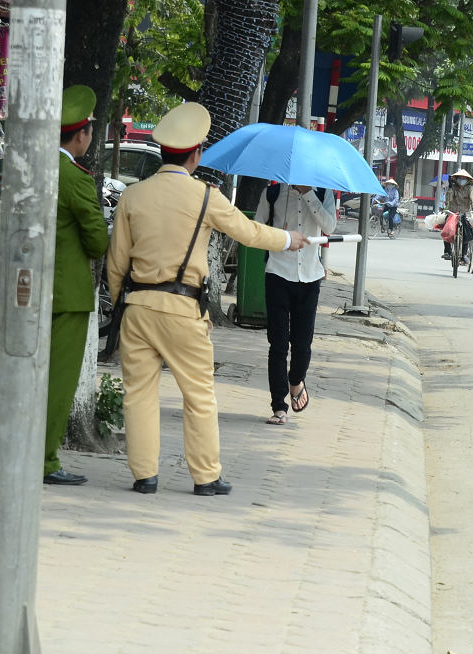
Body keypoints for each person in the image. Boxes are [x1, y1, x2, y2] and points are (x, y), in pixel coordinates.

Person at [108, 102, 310, 496]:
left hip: (137, 310)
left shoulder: (133, 196)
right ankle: (205, 477)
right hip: (183, 311)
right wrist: (288, 239)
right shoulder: (205, 196)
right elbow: (248, 232)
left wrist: (124, 306)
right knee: (198, 395)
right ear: (197, 152)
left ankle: (144, 476)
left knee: (139, 395)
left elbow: (116, 264)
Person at [43, 86, 111, 486]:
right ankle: (46, 461)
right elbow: (98, 241)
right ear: (81, 134)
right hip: (66, 294)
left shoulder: (33, 164)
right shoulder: (75, 177)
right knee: (58, 381)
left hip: (28, 289)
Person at [254, 182, 337, 425]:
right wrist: (279, 237)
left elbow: (329, 227)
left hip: (310, 277)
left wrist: (308, 193)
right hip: (278, 274)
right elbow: (256, 229)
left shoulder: (323, 193)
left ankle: (296, 380)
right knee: (278, 344)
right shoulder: (272, 193)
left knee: (302, 345)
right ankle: (279, 405)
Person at [442, 168, 473, 262]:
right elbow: (448, 200)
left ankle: (464, 254)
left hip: (465, 213)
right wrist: (450, 188)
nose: (462, 180)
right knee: (447, 228)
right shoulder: (453, 188)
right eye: (460, 178)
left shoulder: (470, 189)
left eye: (464, 178)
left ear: (467, 180)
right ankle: (447, 251)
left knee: (466, 231)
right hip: (453, 213)